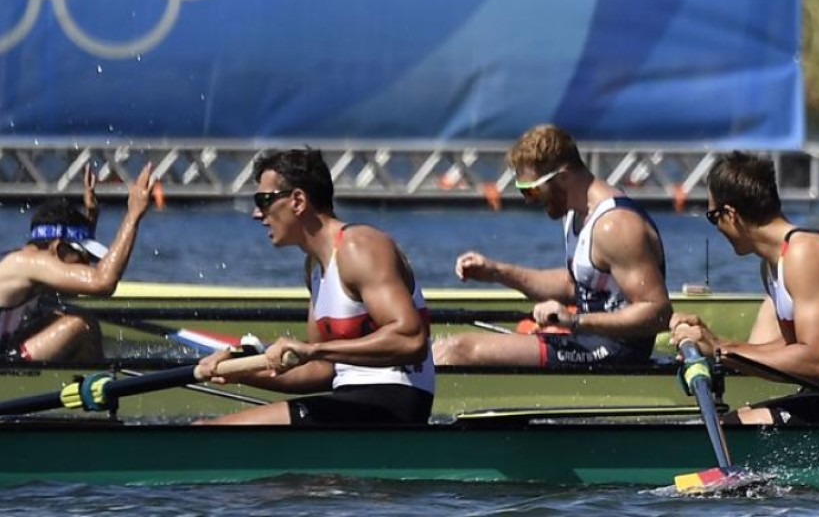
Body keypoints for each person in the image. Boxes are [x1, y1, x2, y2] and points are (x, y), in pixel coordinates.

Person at [195, 148, 434, 425]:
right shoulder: (314, 268)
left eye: (263, 200)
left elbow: (411, 339)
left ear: (297, 201)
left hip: (394, 402)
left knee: (205, 432)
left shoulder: (360, 247)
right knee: (204, 430)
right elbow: (321, 370)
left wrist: (313, 350)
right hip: (350, 401)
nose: (256, 214)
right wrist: (240, 371)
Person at [670, 152, 819, 425]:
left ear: (731, 215)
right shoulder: (771, 266)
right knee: (714, 424)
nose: (716, 228)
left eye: (713, 216)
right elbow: (793, 350)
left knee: (722, 429)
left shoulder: (806, 253)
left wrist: (720, 350)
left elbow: (818, 363)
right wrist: (717, 344)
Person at [433, 124, 672, 368]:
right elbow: (571, 285)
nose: (529, 201)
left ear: (564, 176)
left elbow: (658, 313)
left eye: (533, 191)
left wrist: (575, 320)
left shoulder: (615, 225)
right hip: (586, 339)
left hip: (615, 351)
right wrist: (497, 272)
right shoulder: (575, 214)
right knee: (440, 347)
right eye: (523, 192)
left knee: (456, 351)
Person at [0, 163, 155, 362]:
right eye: (82, 255)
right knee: (81, 324)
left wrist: (91, 216)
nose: (85, 265)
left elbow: (76, 268)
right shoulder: (30, 263)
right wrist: (133, 214)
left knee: (57, 312)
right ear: (57, 248)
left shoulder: (26, 262)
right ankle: (96, 389)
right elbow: (103, 282)